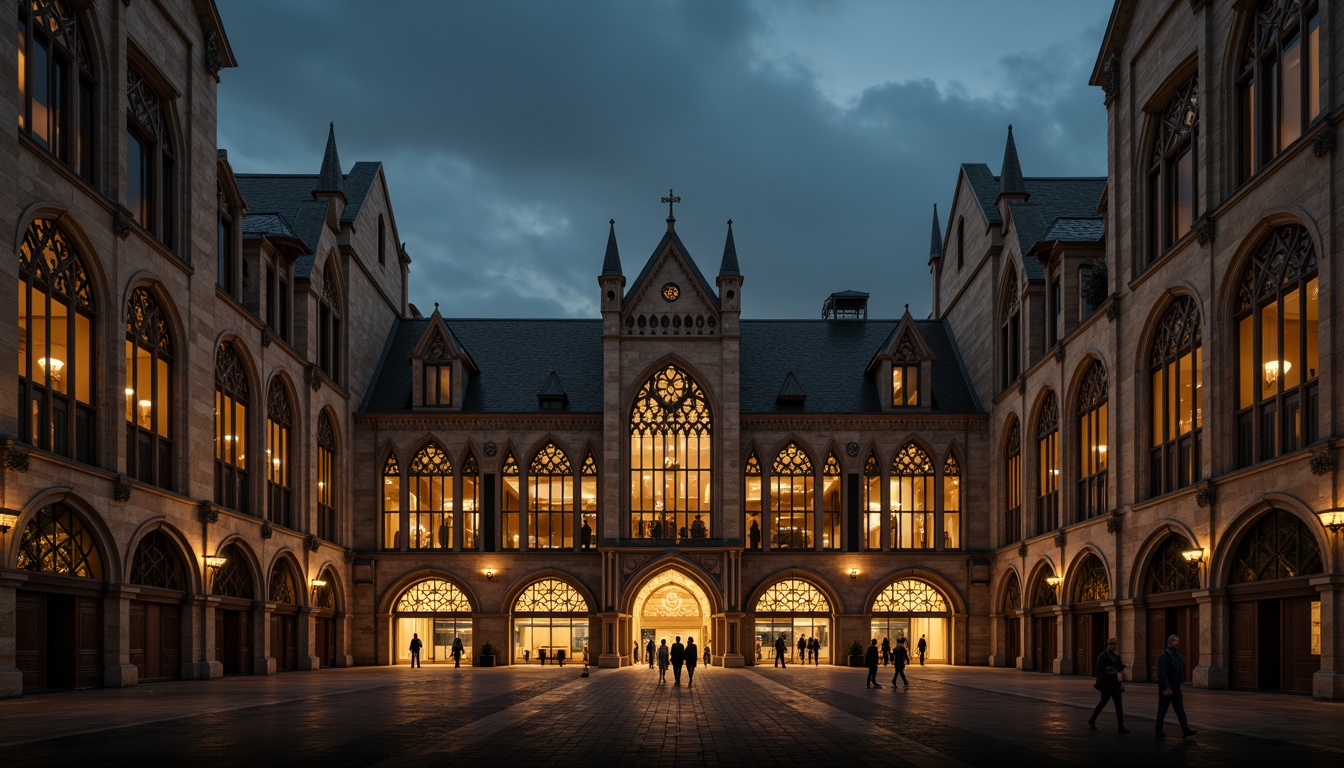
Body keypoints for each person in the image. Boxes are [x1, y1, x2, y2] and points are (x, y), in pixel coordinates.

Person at [1156, 634, 1197, 739]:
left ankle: (1185, 730)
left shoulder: (1178, 656)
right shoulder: (1164, 656)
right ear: (1170, 642)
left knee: (1180, 709)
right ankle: (1158, 731)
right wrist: (1166, 686)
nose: (1177, 643)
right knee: (1162, 710)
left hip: (1176, 687)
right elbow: (1161, 673)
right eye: (1175, 642)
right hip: (1167, 687)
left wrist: (1181, 682)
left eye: (1178, 641)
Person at [1089, 637, 1129, 733]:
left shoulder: (1117, 657)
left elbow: (1119, 668)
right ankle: (1092, 720)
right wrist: (1112, 670)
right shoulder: (1103, 656)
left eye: (1115, 644)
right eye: (1112, 644)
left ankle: (1121, 726)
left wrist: (1122, 668)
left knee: (1119, 705)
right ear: (1108, 645)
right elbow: (1100, 668)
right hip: (1107, 683)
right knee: (1103, 703)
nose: (1113, 646)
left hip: (1116, 684)